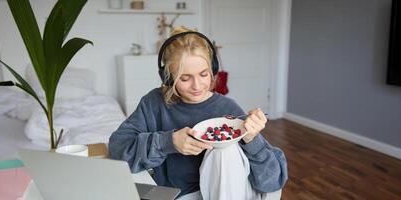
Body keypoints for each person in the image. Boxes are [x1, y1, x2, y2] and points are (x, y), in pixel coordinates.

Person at [108, 26, 287, 199]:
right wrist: (167, 142)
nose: (197, 86)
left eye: (203, 74)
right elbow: (118, 149)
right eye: (185, 78)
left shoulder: (227, 110)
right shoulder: (154, 104)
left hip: (232, 192)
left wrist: (251, 139)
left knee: (224, 151)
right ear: (168, 77)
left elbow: (274, 181)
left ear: (213, 69)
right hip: (179, 194)